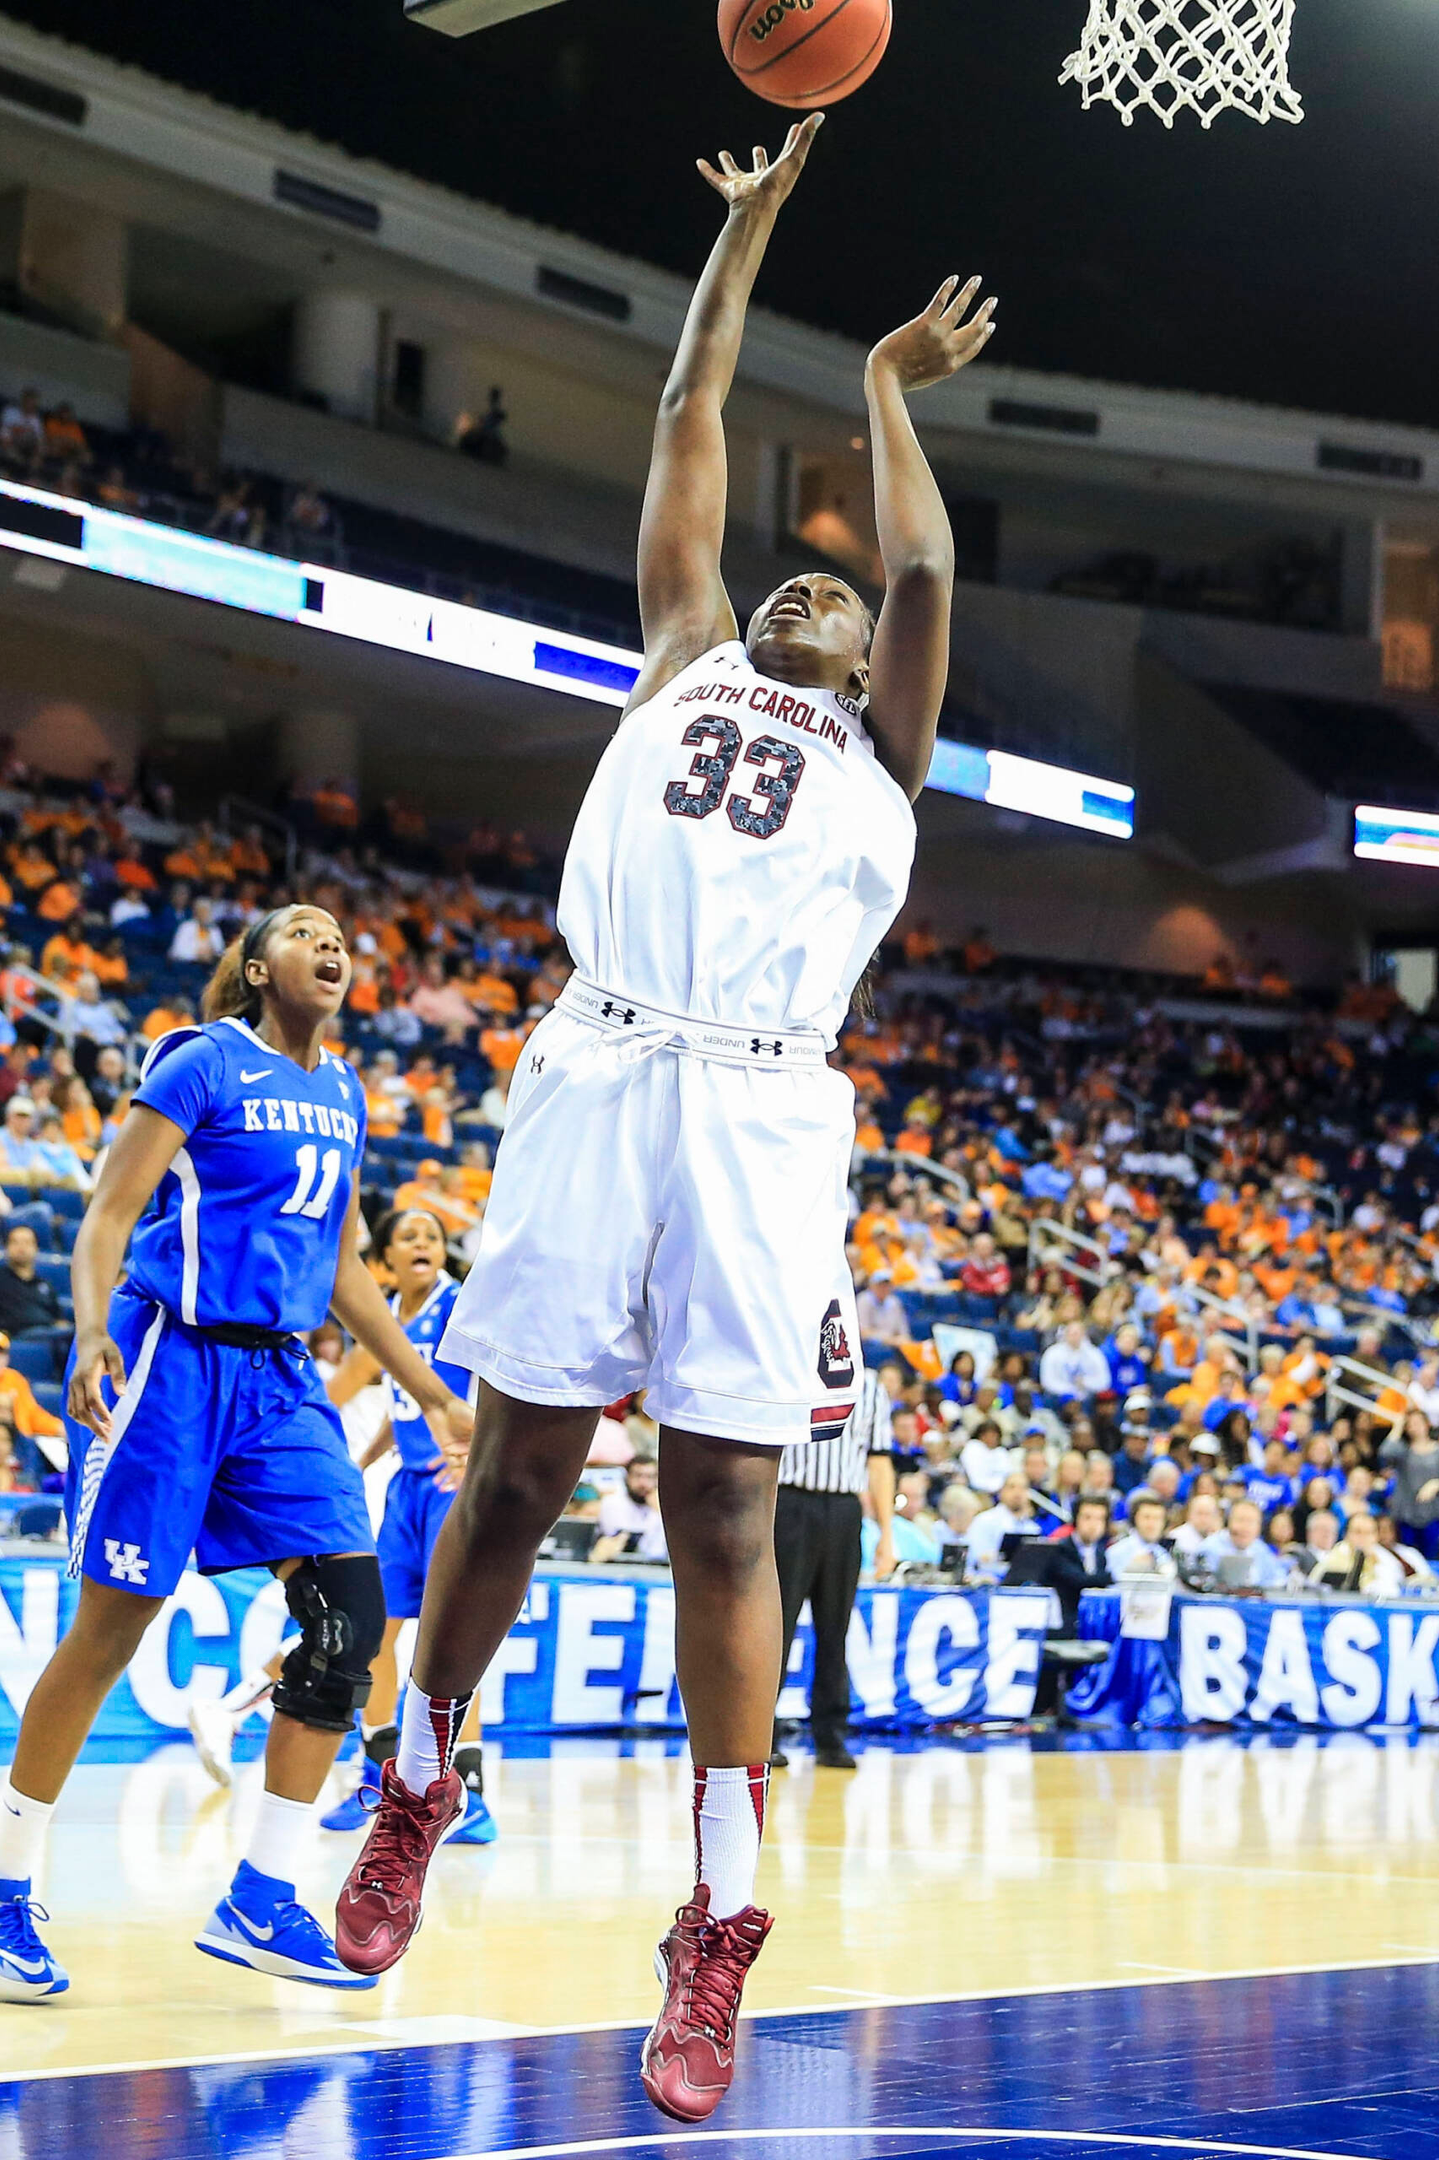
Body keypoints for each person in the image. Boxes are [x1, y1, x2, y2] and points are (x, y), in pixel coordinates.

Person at [335, 114, 995, 2126]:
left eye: (840, 599)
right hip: (603, 1057)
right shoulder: (681, 653)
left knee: (720, 1507)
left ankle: (714, 1922)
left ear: (868, 661)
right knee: (513, 1478)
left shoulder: (884, 739)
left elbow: (925, 552)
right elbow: (688, 400)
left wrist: (880, 383)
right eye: (792, 584)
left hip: (765, 1109)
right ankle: (417, 1781)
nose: (814, 594)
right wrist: (751, 233)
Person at [0, 906, 474, 2003]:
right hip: (165, 1360)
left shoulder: (347, 1092)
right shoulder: (203, 1059)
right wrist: (82, 1333)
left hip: (278, 1378)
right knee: (111, 1626)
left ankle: (261, 1896)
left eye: (341, 936)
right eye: (304, 931)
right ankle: (8, 1888)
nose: (331, 943)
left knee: (350, 1617)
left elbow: (344, 1268)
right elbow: (107, 1213)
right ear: (259, 968)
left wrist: (432, 1394)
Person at [308, 1209, 495, 1843]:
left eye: (433, 1236)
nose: (423, 1243)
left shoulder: (458, 1305)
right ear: (385, 1259)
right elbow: (406, 1399)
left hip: (451, 1488)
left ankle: (470, 1795)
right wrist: (363, 1460)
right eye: (408, 1236)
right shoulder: (386, 1314)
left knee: (450, 1640)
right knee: (371, 1636)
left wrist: (486, 1453)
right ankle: (378, 1777)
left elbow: (495, 1380)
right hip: (406, 1490)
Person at [770, 1360, 896, 1773]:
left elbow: (879, 1461)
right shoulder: (790, 1364)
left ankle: (831, 1736)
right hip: (789, 1503)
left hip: (844, 1509)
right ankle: (760, 1733)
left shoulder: (872, 1384)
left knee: (835, 1628)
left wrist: (887, 1535)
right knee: (777, 1625)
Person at [592, 1453, 668, 1562]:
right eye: (638, 1475)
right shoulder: (612, 1502)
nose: (643, 1483)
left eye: (650, 1477)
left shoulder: (660, 1506)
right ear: (627, 1477)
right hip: (618, 1564)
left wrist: (660, 1511)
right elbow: (622, 1537)